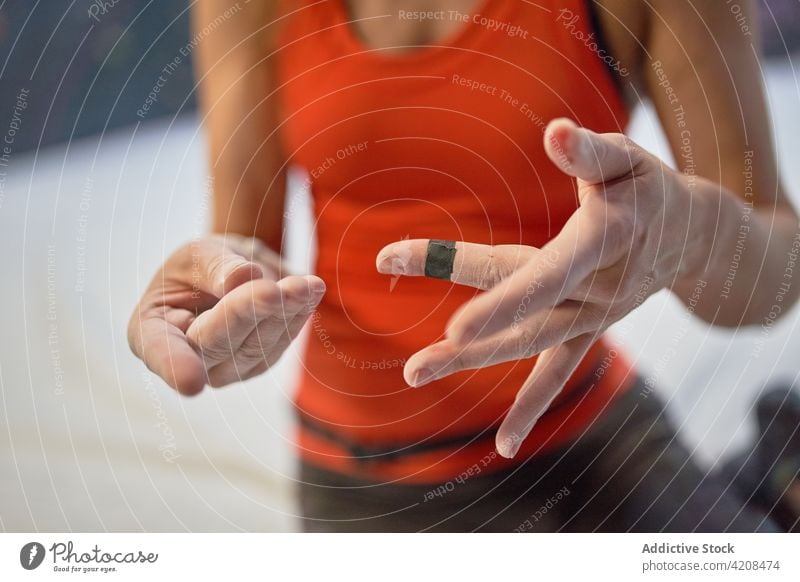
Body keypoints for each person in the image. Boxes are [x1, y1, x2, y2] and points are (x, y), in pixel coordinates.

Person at [128, 0, 800, 531]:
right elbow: (246, 241)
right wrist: (227, 289)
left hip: (591, 438)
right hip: (365, 486)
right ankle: (767, 476)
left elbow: (777, 267)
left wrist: (693, 236)